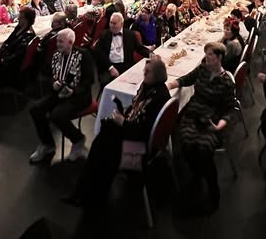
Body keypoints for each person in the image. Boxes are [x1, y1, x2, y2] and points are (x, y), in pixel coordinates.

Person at [62, 56, 170, 208]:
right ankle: (86, 193)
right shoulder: (148, 87)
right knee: (102, 142)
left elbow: (143, 131)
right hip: (133, 132)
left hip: (139, 146)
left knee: (103, 151)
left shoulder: (160, 96)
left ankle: (88, 194)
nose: (144, 74)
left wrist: (123, 122)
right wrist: (122, 119)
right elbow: (135, 111)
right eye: (144, 71)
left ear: (158, 75)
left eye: (148, 72)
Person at [169, 42, 237, 214]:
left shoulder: (227, 82)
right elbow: (186, 79)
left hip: (212, 120)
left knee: (203, 149)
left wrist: (220, 125)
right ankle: (197, 174)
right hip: (193, 114)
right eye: (206, 55)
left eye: (210, 56)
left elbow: (229, 108)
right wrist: (170, 85)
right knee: (185, 142)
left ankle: (212, 189)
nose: (206, 58)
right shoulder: (202, 70)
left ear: (219, 58)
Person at [29, 28, 95, 164]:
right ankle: (47, 144)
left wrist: (74, 90)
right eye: (57, 41)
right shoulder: (56, 55)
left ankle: (78, 139)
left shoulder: (83, 55)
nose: (57, 44)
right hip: (58, 93)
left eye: (61, 42)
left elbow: (89, 80)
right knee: (35, 109)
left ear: (70, 42)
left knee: (57, 115)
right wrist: (53, 83)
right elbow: (45, 75)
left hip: (79, 96)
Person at [94, 12, 151, 85]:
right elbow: (99, 53)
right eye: (110, 23)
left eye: (114, 23)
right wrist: (110, 68)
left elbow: (140, 48)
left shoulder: (130, 35)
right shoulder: (104, 34)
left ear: (122, 24)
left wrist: (151, 54)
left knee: (139, 81)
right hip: (109, 66)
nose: (111, 25)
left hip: (126, 66)